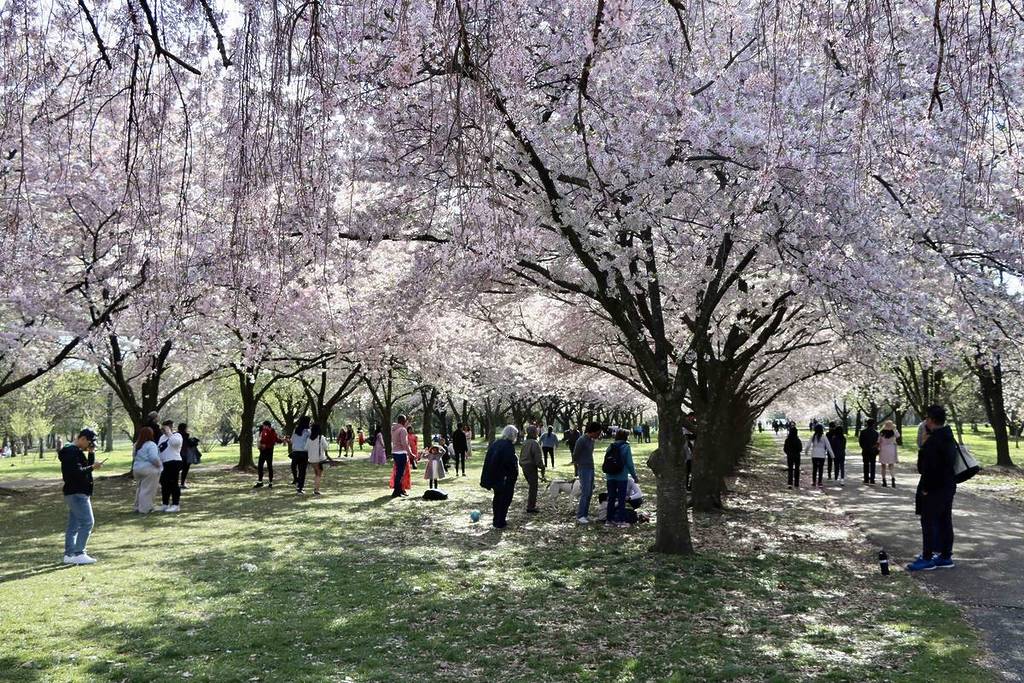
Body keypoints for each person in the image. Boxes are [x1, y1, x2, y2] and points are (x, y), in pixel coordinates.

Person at [907, 405, 958, 571]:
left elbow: (926, 468)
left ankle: (927, 557)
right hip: (948, 485)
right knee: (945, 520)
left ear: (930, 420)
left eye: (926, 418)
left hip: (934, 488)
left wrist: (926, 489)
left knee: (928, 522)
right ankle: (945, 555)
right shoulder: (948, 436)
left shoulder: (934, 441)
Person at [59, 428, 103, 564]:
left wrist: (91, 455)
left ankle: (69, 555)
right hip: (77, 492)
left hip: (76, 492)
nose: (89, 445)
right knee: (88, 522)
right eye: (89, 442)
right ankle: (79, 553)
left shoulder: (74, 452)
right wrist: (92, 467)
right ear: (82, 438)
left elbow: (85, 469)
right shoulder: (71, 452)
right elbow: (77, 472)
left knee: (74, 525)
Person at [480, 425, 519, 529]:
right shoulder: (508, 446)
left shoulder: (496, 443)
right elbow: (509, 463)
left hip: (495, 477)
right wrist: (514, 474)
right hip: (504, 478)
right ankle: (500, 521)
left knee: (497, 498)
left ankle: (496, 519)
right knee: (505, 499)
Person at [604, 430, 639, 527]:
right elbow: (630, 464)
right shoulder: (626, 447)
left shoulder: (610, 446)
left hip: (610, 476)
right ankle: (621, 521)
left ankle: (609, 520)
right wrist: (634, 476)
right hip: (621, 476)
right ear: (625, 437)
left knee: (611, 497)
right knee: (621, 498)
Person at [572, 422, 602, 524]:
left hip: (591, 467)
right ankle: (580, 515)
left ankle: (585, 514)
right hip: (583, 468)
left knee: (589, 492)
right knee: (585, 492)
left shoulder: (591, 441)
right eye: (598, 432)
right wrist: (578, 467)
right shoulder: (581, 440)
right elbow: (575, 455)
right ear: (592, 431)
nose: (599, 435)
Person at [132, 427, 162, 514]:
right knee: (148, 489)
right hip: (148, 469)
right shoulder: (151, 444)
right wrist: (159, 465)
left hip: (137, 469)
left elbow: (134, 456)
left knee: (140, 488)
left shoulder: (137, 444)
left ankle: (137, 506)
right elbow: (153, 458)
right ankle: (145, 508)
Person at [158, 420, 183, 512]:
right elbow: (160, 450)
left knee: (173, 484)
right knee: (164, 484)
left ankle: (176, 505)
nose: (163, 430)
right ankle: (165, 503)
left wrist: (169, 433)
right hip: (165, 463)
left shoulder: (177, 436)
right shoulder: (162, 437)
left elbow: (175, 444)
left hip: (174, 462)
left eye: (166, 428)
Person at [519, 426, 544, 513]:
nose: (537, 433)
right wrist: (542, 467)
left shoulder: (525, 442)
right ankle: (531, 507)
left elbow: (521, 456)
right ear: (534, 433)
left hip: (524, 466)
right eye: (536, 432)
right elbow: (537, 458)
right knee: (533, 487)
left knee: (532, 486)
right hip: (531, 466)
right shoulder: (534, 443)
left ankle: (531, 505)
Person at [804, 423, 834, 488]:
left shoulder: (813, 436)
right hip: (821, 455)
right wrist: (832, 455)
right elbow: (828, 446)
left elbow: (808, 445)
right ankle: (820, 482)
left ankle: (814, 481)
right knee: (820, 469)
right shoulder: (824, 437)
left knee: (814, 468)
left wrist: (806, 451)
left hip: (814, 455)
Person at [255, 420, 283, 488]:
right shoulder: (268, 431)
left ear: (267, 425)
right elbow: (276, 439)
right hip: (266, 450)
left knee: (267, 466)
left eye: (264, 425)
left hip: (267, 450)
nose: (263, 427)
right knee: (262, 466)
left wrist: (263, 445)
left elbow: (272, 440)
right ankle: (262, 481)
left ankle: (267, 482)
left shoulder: (269, 431)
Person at [305, 423, 331, 495]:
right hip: (319, 459)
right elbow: (326, 447)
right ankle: (316, 490)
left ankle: (316, 488)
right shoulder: (321, 437)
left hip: (312, 459)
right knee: (318, 475)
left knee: (316, 474)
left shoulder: (309, 438)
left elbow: (306, 448)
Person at [390, 415, 412, 498]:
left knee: (398, 472)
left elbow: (403, 427)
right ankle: (396, 491)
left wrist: (408, 421)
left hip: (395, 452)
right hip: (402, 453)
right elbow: (404, 443)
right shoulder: (402, 430)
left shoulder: (394, 429)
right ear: (403, 421)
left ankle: (399, 490)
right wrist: (410, 453)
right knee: (400, 473)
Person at [290, 416, 311, 493]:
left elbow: (292, 440)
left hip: (295, 452)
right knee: (302, 471)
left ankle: (296, 479)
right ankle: (300, 487)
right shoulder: (308, 432)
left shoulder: (296, 430)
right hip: (303, 453)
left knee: (294, 467)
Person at [878, 420, 900, 488]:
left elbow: (878, 441)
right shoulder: (894, 432)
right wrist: (894, 428)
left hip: (883, 450)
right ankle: (893, 478)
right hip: (891, 449)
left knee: (883, 466)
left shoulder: (881, 433)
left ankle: (884, 480)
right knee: (891, 465)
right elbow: (898, 436)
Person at [178, 423, 200, 489]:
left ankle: (177, 483)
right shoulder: (185, 435)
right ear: (184, 428)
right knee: (185, 469)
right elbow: (188, 444)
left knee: (178, 469)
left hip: (178, 454)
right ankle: (182, 483)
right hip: (184, 454)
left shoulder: (176, 435)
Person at [858, 418, 879, 484]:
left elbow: (860, 442)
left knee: (865, 465)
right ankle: (872, 479)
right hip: (873, 450)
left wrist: (864, 447)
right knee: (873, 465)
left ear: (867, 423)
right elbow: (877, 443)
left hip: (865, 450)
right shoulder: (876, 433)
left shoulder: (863, 432)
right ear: (873, 424)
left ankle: (866, 479)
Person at [783, 425, 802, 489]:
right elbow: (800, 448)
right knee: (797, 469)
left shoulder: (787, 440)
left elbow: (785, 449)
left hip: (790, 456)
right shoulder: (798, 440)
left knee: (790, 469)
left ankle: (790, 483)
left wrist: (788, 453)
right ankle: (796, 483)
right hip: (797, 456)